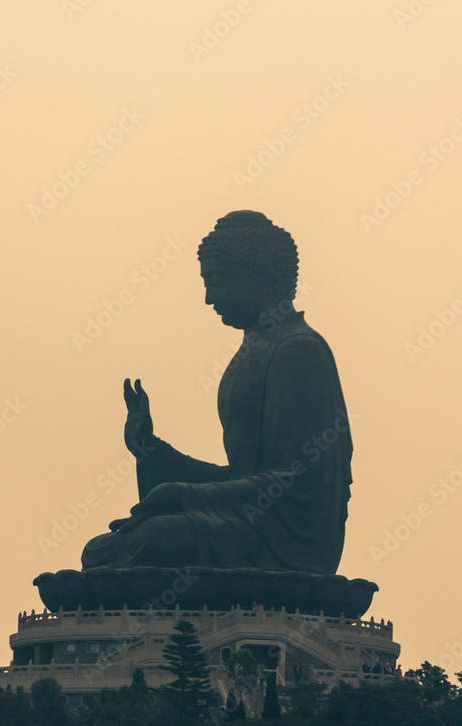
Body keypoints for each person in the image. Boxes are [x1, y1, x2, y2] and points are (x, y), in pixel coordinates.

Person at [81, 210, 352, 575]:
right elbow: (239, 478)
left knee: (154, 539)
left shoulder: (298, 350)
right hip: (247, 524)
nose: (209, 298)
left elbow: (298, 481)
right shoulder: (250, 356)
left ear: (263, 273)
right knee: (100, 551)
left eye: (219, 281)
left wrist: (187, 495)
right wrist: (151, 449)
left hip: (288, 542)